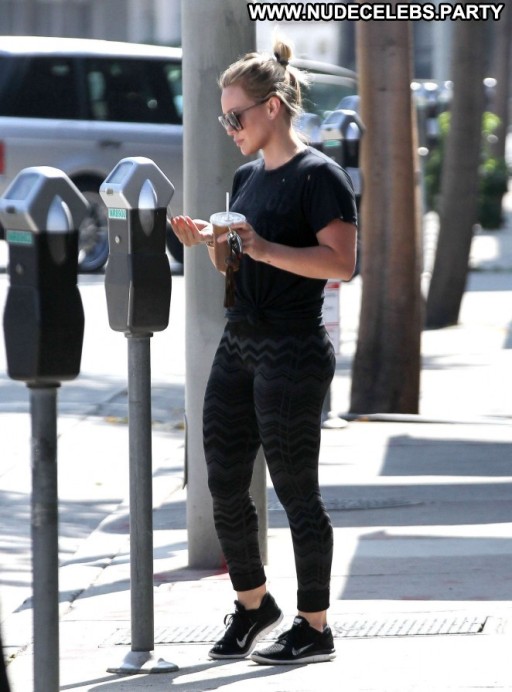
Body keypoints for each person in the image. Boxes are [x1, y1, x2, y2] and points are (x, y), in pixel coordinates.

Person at [171, 35, 357, 665]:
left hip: (292, 346)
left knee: (296, 490)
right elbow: (236, 263)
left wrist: (263, 247)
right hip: (240, 341)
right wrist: (212, 242)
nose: (230, 129)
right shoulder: (246, 178)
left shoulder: (319, 176)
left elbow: (341, 263)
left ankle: (315, 626)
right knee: (222, 481)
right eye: (224, 119)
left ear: (272, 107)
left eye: (236, 116)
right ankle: (254, 606)